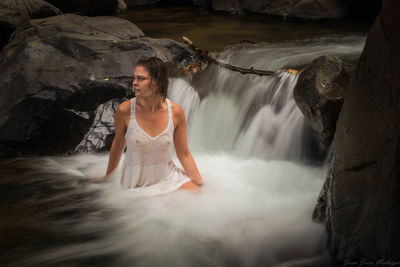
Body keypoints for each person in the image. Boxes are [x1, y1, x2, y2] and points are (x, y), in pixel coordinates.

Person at [100, 56, 203, 195]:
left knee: (200, 197)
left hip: (168, 179)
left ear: (158, 82)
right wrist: (109, 178)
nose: (134, 83)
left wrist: (200, 182)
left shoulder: (176, 112)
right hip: (135, 184)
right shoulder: (125, 111)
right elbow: (118, 145)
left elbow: (184, 154)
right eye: (134, 78)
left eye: (141, 78)